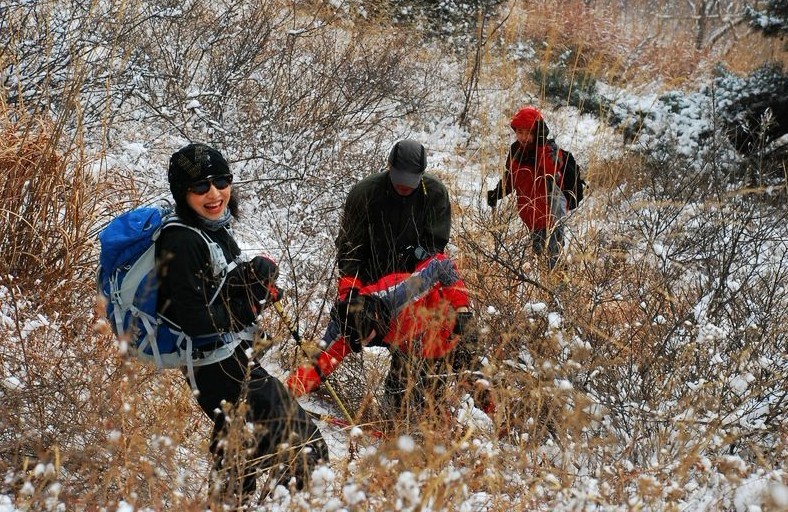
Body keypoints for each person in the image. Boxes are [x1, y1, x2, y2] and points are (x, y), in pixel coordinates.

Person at [156, 143, 329, 503]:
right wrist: (251, 303)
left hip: (226, 360)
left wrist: (252, 279)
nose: (215, 193)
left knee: (238, 450)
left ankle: (228, 503)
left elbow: (216, 286)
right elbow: (197, 321)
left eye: (221, 181)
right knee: (306, 449)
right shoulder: (182, 240)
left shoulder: (209, 227)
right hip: (216, 367)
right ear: (182, 193)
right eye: (201, 187)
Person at [285, 139, 492, 419]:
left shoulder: (435, 196)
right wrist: (285, 394)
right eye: (399, 178)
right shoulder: (364, 194)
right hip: (367, 285)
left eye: (412, 181)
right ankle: (409, 414)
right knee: (344, 341)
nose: (405, 186)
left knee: (453, 360)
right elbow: (350, 252)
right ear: (389, 167)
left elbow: (439, 261)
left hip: (417, 292)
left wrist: (464, 309)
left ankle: (435, 414)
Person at [487, 106, 568, 269]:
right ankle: (551, 288)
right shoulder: (515, 150)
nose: (523, 137)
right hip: (529, 214)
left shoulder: (550, 149)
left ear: (537, 132)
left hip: (549, 214)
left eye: (528, 133)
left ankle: (559, 290)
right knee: (540, 254)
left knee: (552, 259)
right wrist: (498, 192)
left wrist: (540, 145)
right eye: (519, 132)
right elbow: (511, 177)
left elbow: (551, 171)